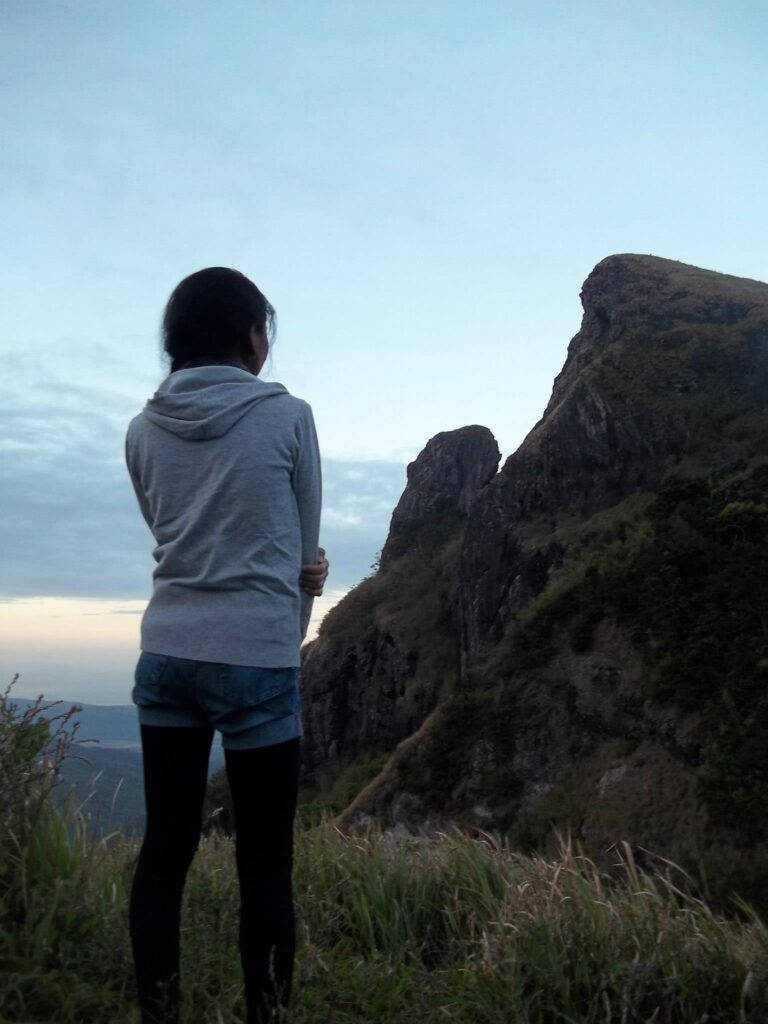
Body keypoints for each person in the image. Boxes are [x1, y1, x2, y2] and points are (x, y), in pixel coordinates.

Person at [124, 267, 326, 1024]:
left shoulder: (142, 429)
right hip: (256, 655)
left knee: (165, 848)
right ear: (251, 336)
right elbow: (303, 552)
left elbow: (171, 534)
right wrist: (290, 622)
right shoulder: (290, 417)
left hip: (166, 651)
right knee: (265, 863)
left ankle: (159, 1012)